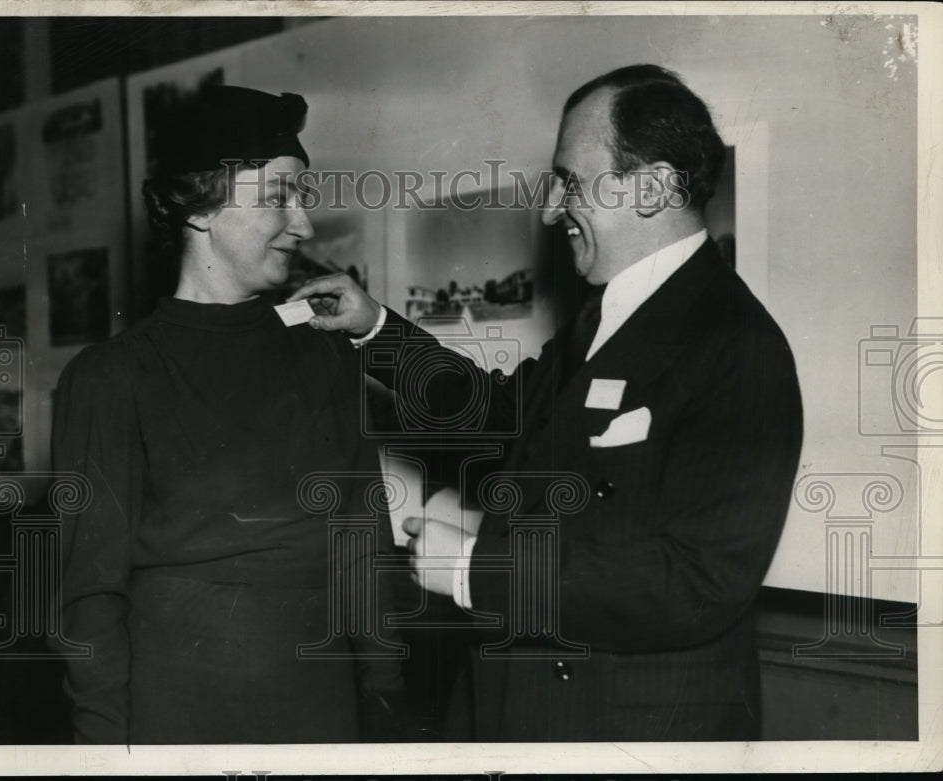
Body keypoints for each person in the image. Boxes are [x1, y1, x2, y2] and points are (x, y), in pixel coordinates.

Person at [289, 64, 804, 741]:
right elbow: (500, 415)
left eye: (570, 182)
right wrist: (375, 327)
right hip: (525, 710)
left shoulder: (739, 345)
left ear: (649, 188)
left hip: (633, 733)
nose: (550, 210)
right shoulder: (606, 319)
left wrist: (481, 570)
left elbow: (697, 582)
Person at [50, 85, 403, 744]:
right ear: (201, 207)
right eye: (277, 198)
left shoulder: (325, 352)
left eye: (302, 197)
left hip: (322, 710)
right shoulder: (109, 377)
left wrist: (384, 702)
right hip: (179, 715)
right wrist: (105, 752)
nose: (302, 224)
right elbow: (90, 599)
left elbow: (364, 546)